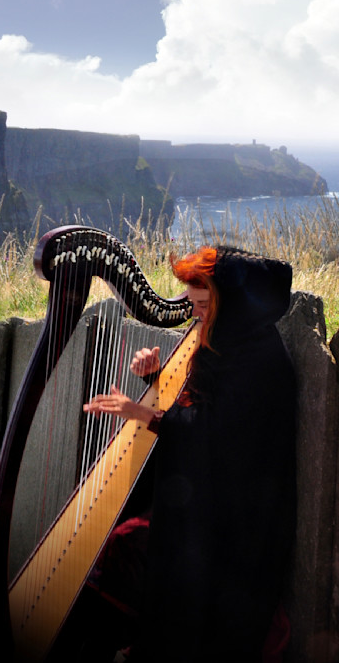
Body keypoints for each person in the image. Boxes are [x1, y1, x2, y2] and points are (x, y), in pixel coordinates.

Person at [83, 245, 297, 662]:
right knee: (124, 542)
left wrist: (144, 413)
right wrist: (156, 376)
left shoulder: (260, 360)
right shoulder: (231, 343)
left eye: (200, 304)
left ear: (229, 303)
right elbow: (207, 409)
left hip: (238, 524)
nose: (192, 313)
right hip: (212, 497)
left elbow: (220, 438)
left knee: (128, 543)